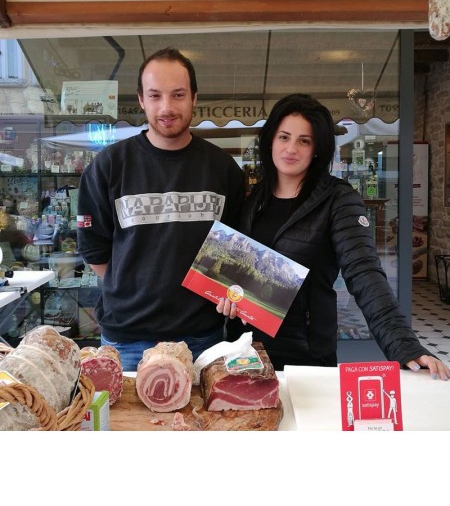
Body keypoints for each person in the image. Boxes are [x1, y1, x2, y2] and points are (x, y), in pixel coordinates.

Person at [219, 93, 450, 381]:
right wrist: (228, 295)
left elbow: (365, 273)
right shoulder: (255, 200)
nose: (291, 148)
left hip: (304, 353)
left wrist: (404, 345)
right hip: (247, 347)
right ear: (270, 140)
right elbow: (240, 269)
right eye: (284, 137)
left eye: (304, 140)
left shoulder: (338, 199)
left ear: (317, 148)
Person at [77, 47, 246, 371]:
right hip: (127, 340)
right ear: (141, 99)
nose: (166, 107)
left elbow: (237, 251)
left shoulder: (223, 169)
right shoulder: (109, 166)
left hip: (202, 337)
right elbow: (94, 250)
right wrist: (137, 285)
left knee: (199, 423)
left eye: (178, 94)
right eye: (155, 95)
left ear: (194, 97)